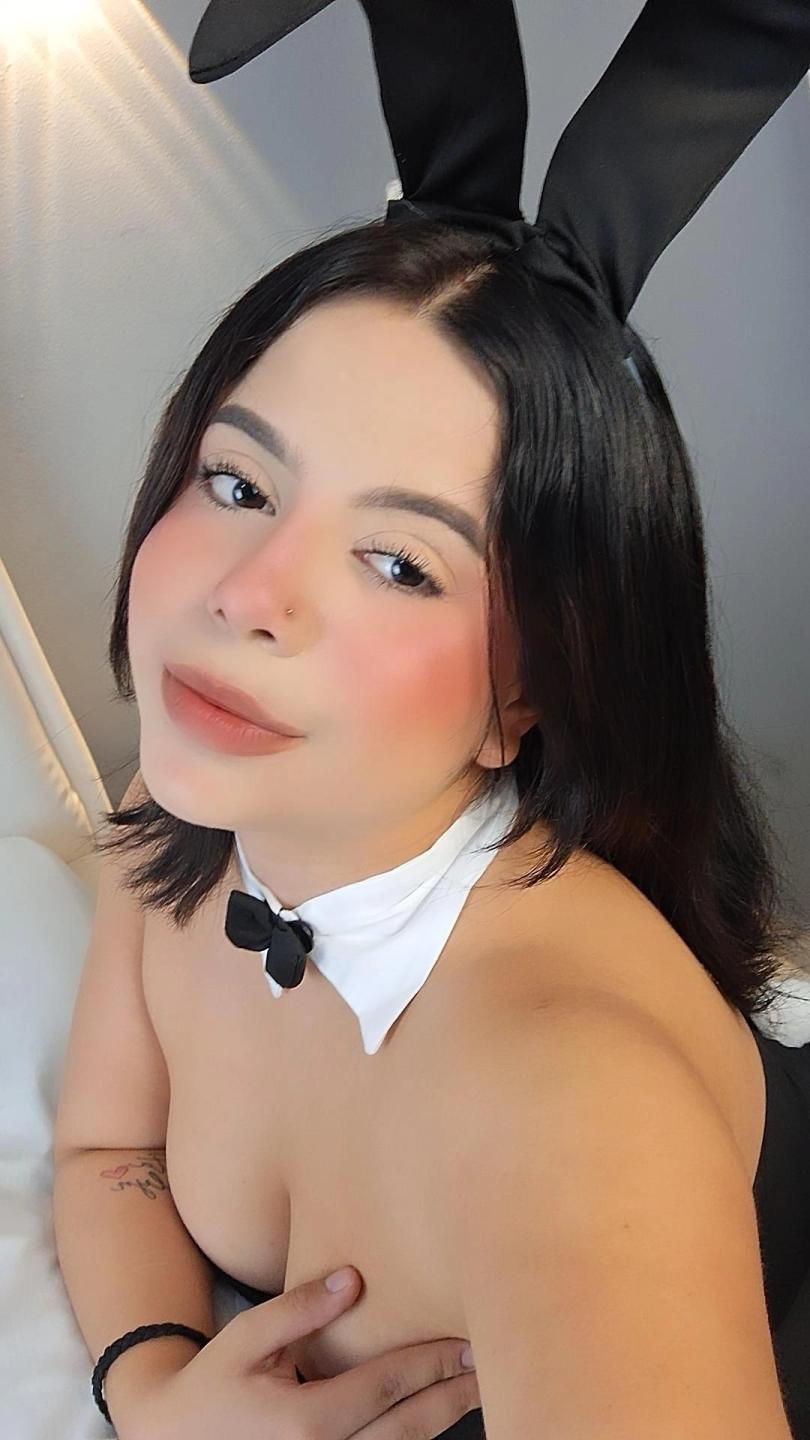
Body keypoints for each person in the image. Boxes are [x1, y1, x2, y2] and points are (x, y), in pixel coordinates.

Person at [54, 3, 810, 1437]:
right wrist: (152, 1393)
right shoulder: (181, 827)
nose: (248, 595)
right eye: (238, 483)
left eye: (400, 563)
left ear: (529, 691)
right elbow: (104, 1151)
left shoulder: (575, 1103)